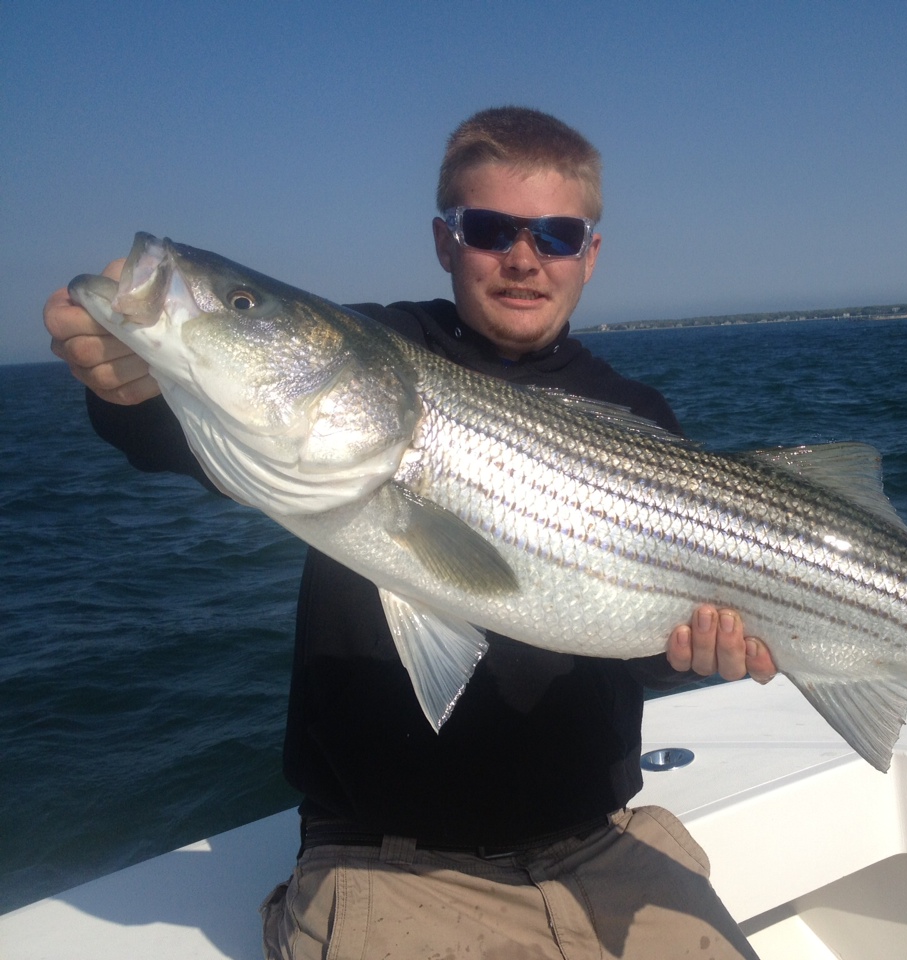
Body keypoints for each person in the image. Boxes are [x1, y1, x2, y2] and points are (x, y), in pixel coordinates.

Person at [44, 106, 776, 959]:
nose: (524, 257)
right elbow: (180, 429)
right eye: (490, 228)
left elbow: (632, 635)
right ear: (443, 240)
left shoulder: (639, 416)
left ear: (591, 254)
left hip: (600, 843)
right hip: (389, 866)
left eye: (559, 235)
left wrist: (699, 648)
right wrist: (125, 384)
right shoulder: (379, 344)